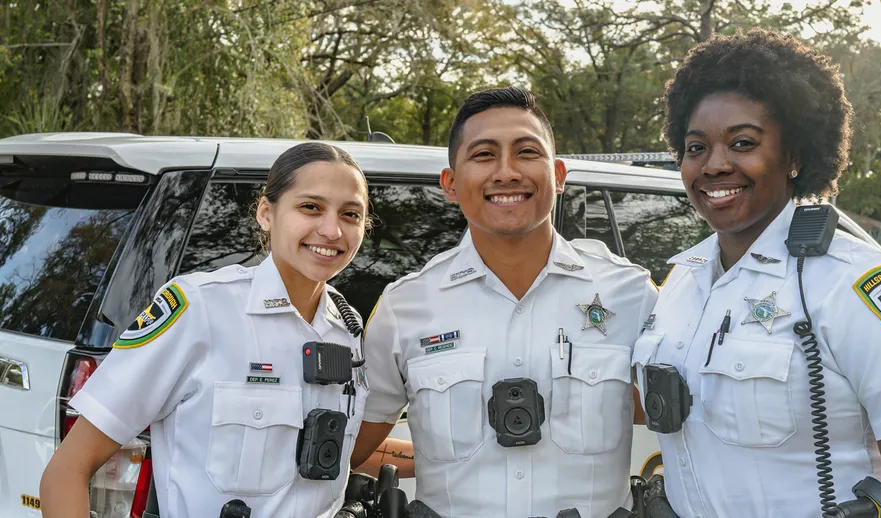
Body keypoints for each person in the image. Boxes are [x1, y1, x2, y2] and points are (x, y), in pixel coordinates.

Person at [635, 29, 881, 517]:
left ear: (794, 156)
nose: (715, 165)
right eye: (696, 148)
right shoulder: (682, 283)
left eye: (743, 143)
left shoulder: (857, 286)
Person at [40, 142, 405, 518]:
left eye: (350, 214)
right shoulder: (200, 308)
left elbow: (341, 450)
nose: (331, 230)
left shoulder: (346, 330)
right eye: (310, 207)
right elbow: (67, 471)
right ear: (266, 213)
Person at [351, 86, 658, 518]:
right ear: (451, 183)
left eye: (527, 152)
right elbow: (348, 446)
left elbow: (695, 425)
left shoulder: (630, 294)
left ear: (559, 175)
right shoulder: (405, 306)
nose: (507, 172)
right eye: (483, 155)